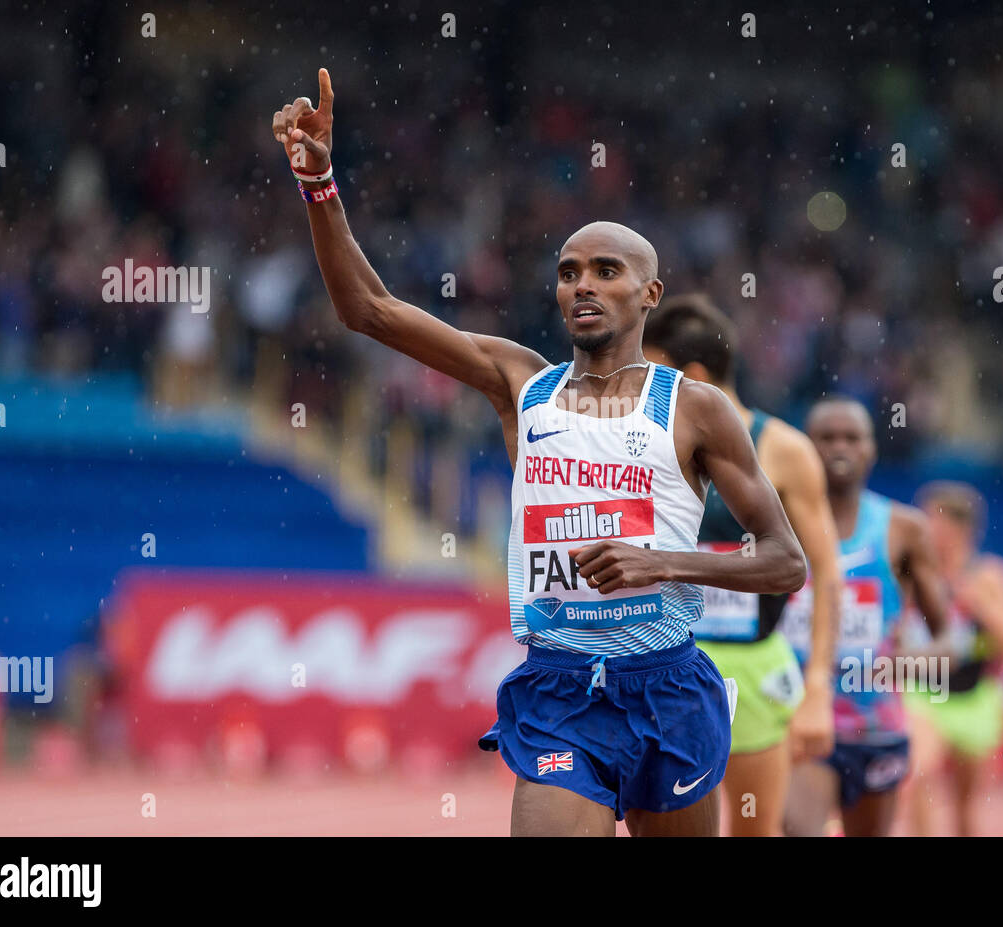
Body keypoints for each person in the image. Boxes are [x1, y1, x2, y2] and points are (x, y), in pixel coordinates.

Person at [271, 71, 807, 837]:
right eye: (568, 272)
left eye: (605, 271)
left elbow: (786, 563)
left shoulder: (695, 409)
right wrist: (320, 181)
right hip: (560, 689)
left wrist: (664, 562)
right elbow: (369, 310)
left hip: (669, 684)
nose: (582, 285)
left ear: (649, 296)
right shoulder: (520, 384)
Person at [642, 294, 842, 837]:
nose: (639, 386)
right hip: (665, 664)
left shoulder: (783, 450)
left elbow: (826, 571)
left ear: (697, 374)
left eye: (652, 371)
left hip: (754, 665)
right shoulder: (641, 444)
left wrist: (819, 688)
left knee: (756, 829)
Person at [783, 397, 948, 837]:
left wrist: (906, 662)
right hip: (802, 721)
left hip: (876, 727)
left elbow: (947, 638)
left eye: (852, 438)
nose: (840, 448)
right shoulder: (776, 526)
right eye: (827, 438)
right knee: (800, 829)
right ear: (806, 447)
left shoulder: (904, 529)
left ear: (871, 449)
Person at [900, 481, 1003, 837]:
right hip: (923, 693)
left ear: (960, 528)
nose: (920, 527)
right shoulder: (909, 573)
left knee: (965, 806)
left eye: (930, 519)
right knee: (919, 773)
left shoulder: (988, 575)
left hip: (974, 695)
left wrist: (979, 604)